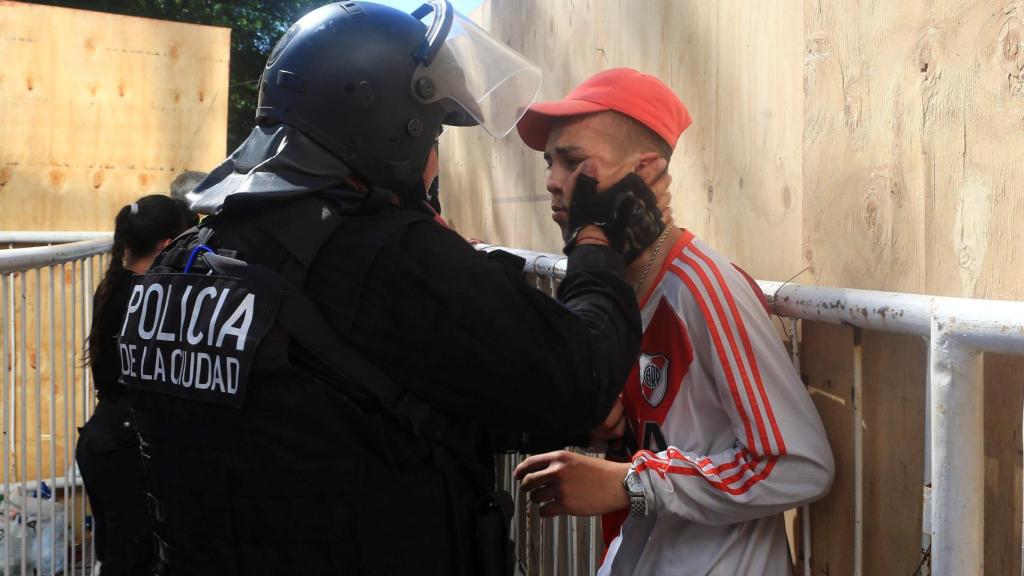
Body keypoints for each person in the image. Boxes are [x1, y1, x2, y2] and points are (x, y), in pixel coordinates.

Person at [114, 3, 672, 574]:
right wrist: (595, 237)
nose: (433, 163)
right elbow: (576, 379)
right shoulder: (386, 256)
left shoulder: (187, 258)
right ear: (390, 133)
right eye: (432, 135)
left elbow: (335, 402)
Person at [513, 68, 835, 576]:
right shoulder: (613, 292)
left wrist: (630, 483)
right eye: (550, 162)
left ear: (644, 173)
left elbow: (797, 465)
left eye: (573, 161)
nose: (553, 181)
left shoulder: (703, 287)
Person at [77, 194, 196, 576]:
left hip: (106, 438)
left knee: (120, 558)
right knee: (134, 561)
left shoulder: (115, 284)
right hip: (129, 447)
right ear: (167, 245)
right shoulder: (153, 296)